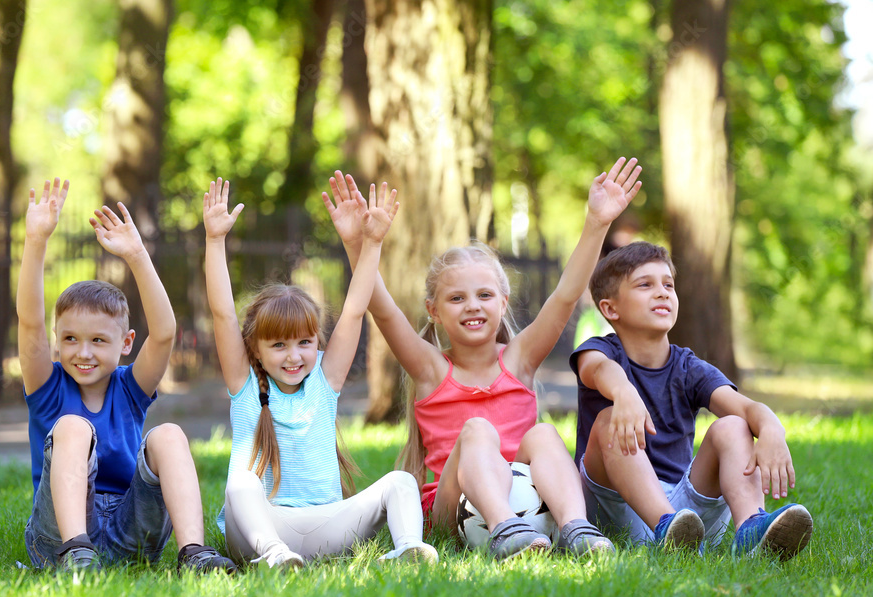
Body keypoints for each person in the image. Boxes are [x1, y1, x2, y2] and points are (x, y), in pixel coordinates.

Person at [323, 158, 642, 560]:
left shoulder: (520, 360)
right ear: (433, 310)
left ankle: (577, 528)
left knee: (543, 434)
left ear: (503, 302)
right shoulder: (430, 369)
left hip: (529, 501)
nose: (472, 306)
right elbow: (382, 308)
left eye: (484, 295)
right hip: (451, 512)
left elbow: (564, 294)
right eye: (456, 298)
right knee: (477, 430)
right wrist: (359, 245)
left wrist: (597, 222)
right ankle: (504, 527)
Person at [203, 178, 437, 569]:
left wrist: (371, 242)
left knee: (401, 482)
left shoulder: (324, 382)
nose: (294, 357)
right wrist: (214, 240)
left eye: (304, 343)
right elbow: (223, 313)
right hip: (260, 533)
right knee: (241, 481)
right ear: (255, 350)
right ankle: (277, 557)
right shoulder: (244, 385)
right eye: (278, 345)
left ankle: (408, 548)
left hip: (328, 526)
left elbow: (354, 310)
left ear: (317, 342)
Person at [18, 178, 234, 573]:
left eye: (98, 340)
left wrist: (136, 254)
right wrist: (35, 241)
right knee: (73, 427)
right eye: (70, 339)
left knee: (168, 434)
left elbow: (165, 332)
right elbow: (29, 323)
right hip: (57, 539)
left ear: (126, 343)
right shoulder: (47, 388)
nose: (83, 352)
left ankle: (195, 554)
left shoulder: (130, 389)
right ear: (57, 341)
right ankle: (75, 553)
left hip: (129, 533)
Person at [571, 241, 813, 559]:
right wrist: (623, 392)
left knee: (734, 426)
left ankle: (750, 530)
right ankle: (665, 526)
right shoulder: (599, 350)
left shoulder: (688, 366)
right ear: (610, 309)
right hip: (617, 507)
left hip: (689, 517)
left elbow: (745, 407)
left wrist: (770, 428)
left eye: (668, 285)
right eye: (645, 284)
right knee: (607, 420)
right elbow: (599, 370)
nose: (662, 292)